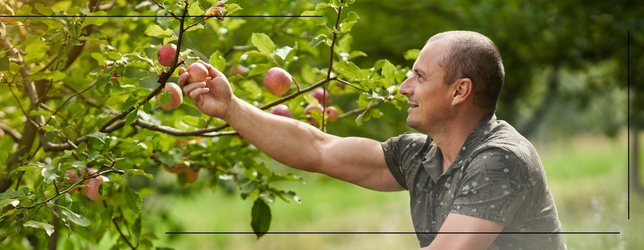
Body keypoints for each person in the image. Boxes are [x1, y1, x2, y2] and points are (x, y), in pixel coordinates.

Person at [178, 30, 566, 250]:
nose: (403, 87)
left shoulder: (500, 158)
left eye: (419, 77)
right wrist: (231, 108)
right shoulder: (424, 156)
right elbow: (318, 148)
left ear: (459, 91)